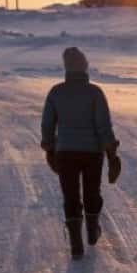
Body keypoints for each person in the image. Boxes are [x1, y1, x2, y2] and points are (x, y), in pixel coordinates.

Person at [41, 47, 122, 260]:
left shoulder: (56, 92)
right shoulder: (95, 92)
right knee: (92, 191)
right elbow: (104, 125)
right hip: (92, 153)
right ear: (85, 67)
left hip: (65, 152)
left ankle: (76, 244)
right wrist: (112, 153)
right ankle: (92, 230)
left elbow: (47, 124)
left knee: (70, 195)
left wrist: (49, 148)